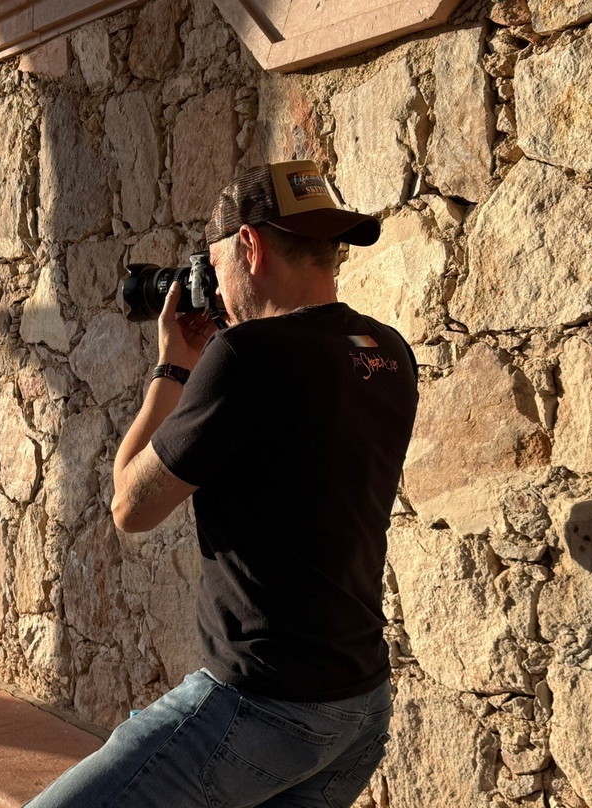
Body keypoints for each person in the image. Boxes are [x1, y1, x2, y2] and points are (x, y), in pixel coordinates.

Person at [23, 160, 419, 808]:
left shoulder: (247, 358)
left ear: (251, 246)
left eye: (212, 267)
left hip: (260, 710)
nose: (214, 290)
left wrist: (171, 370)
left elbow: (130, 504)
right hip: (359, 709)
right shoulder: (387, 350)